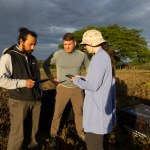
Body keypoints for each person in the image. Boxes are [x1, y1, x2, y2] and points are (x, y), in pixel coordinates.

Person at [71, 29, 116, 150]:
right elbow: (98, 79)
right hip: (101, 111)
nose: (84, 47)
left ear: (91, 43)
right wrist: (83, 78)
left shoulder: (98, 58)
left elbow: (93, 86)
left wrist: (76, 81)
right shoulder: (103, 56)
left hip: (97, 111)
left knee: (94, 145)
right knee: (102, 144)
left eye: (85, 44)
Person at [43, 32, 89, 146]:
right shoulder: (57, 54)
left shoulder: (82, 55)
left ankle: (81, 133)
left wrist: (84, 79)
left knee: (80, 112)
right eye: (65, 44)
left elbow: (90, 69)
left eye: (69, 44)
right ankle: (53, 134)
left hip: (78, 89)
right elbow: (45, 65)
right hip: (62, 88)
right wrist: (52, 79)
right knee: (57, 113)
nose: (67, 46)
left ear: (75, 43)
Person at [0, 28, 42, 150]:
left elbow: (38, 78)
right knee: (18, 136)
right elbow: (1, 79)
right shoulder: (9, 57)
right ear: (21, 41)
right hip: (19, 102)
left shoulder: (33, 59)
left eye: (35, 44)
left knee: (33, 135)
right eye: (31, 44)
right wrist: (23, 83)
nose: (33, 47)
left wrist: (40, 93)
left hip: (35, 101)